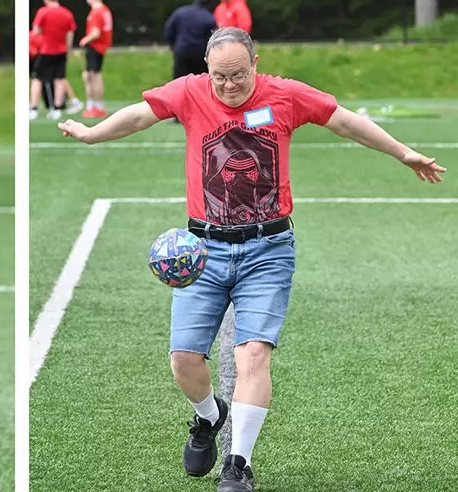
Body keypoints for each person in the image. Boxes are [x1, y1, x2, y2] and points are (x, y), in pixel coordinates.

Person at [58, 27, 445, 492]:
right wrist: (91, 134)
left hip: (269, 248)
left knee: (253, 354)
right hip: (204, 249)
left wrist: (402, 152)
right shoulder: (189, 91)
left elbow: (342, 120)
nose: (228, 86)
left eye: (237, 75)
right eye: (219, 77)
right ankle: (208, 416)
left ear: (255, 63)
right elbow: (141, 115)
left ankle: (238, 465)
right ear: (206, 70)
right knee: (183, 360)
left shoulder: (284, 95)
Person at [29, 0, 79, 121]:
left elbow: (36, 30)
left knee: (37, 78)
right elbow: (70, 34)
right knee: (59, 79)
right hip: (61, 51)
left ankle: (33, 108)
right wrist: (68, 50)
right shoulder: (66, 13)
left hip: (46, 50)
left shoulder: (43, 12)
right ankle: (57, 108)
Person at [165, 0, 217, 81]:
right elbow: (213, 40)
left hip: (181, 51)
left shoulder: (180, 12)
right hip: (200, 54)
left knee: (179, 81)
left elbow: (169, 29)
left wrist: (172, 44)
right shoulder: (209, 18)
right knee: (199, 82)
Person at [79, 0, 113, 118]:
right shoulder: (105, 10)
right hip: (101, 47)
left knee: (93, 76)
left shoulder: (96, 12)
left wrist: (85, 40)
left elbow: (96, 32)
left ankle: (96, 106)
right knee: (90, 75)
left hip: (95, 47)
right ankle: (94, 105)